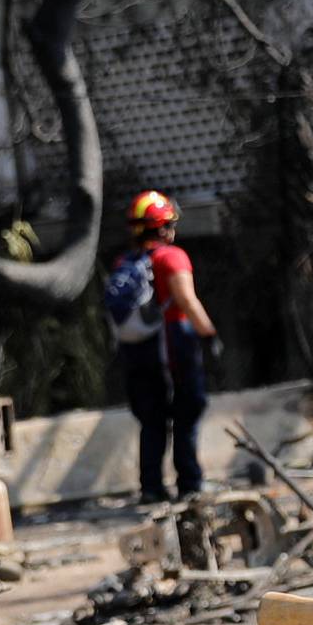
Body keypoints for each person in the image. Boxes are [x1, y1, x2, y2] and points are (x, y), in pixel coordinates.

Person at [106, 190, 220, 503]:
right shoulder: (172, 257)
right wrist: (209, 335)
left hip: (136, 352)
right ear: (164, 227)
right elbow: (185, 299)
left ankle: (152, 488)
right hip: (173, 346)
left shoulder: (124, 261)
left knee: (152, 420)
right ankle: (190, 484)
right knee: (186, 412)